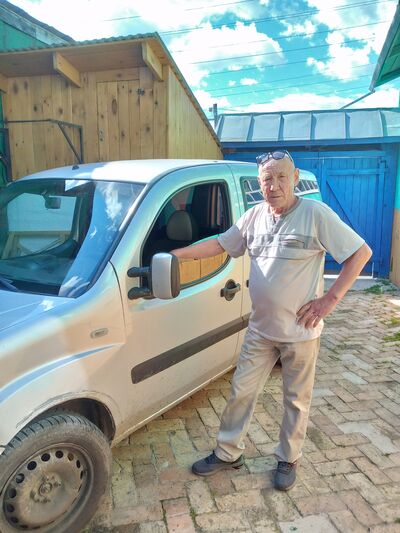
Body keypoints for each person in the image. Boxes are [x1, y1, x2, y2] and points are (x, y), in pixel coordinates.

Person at [171, 151, 372, 491]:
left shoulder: (315, 214)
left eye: (281, 177)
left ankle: (288, 458)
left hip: (301, 331)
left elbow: (360, 253)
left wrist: (329, 300)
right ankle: (228, 453)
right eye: (267, 179)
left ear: (295, 178)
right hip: (260, 330)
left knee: (296, 400)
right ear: (259, 183)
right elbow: (220, 245)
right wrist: (178, 255)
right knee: (241, 392)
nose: (274, 185)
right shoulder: (253, 216)